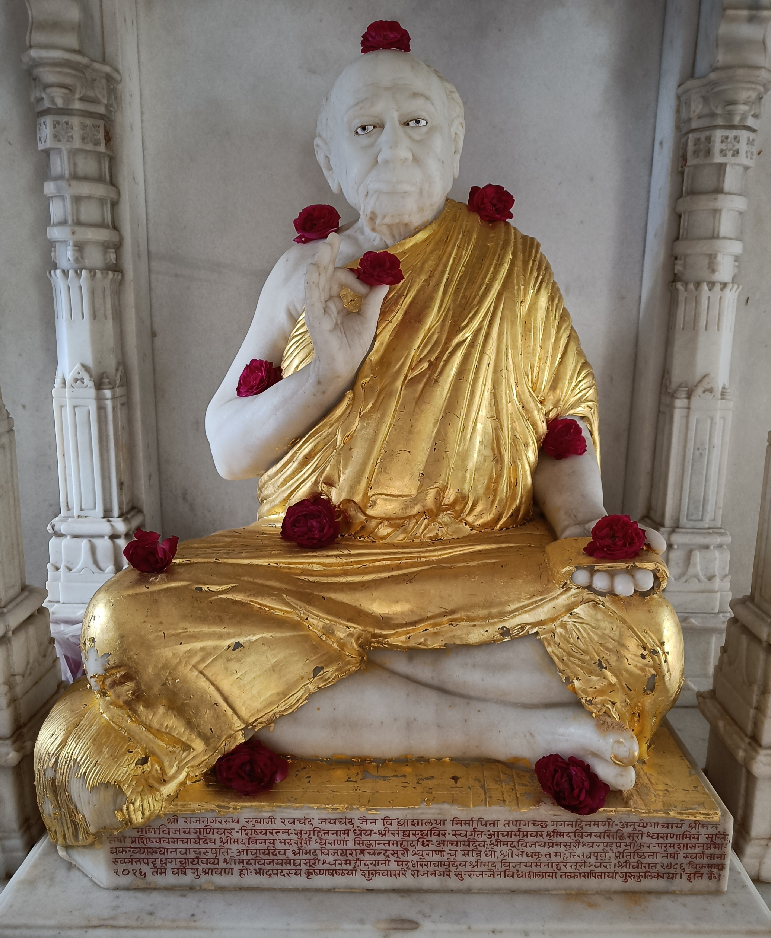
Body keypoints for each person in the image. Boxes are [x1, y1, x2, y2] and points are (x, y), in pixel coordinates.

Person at [35, 41, 682, 848]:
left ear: (452, 141)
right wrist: (324, 377)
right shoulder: (302, 272)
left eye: (415, 123)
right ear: (328, 158)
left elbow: (560, 420)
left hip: (476, 566)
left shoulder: (511, 265)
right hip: (308, 571)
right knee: (122, 624)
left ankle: (289, 686)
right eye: (366, 128)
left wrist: (587, 524)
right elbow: (230, 450)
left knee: (643, 642)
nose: (395, 147)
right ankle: (508, 732)